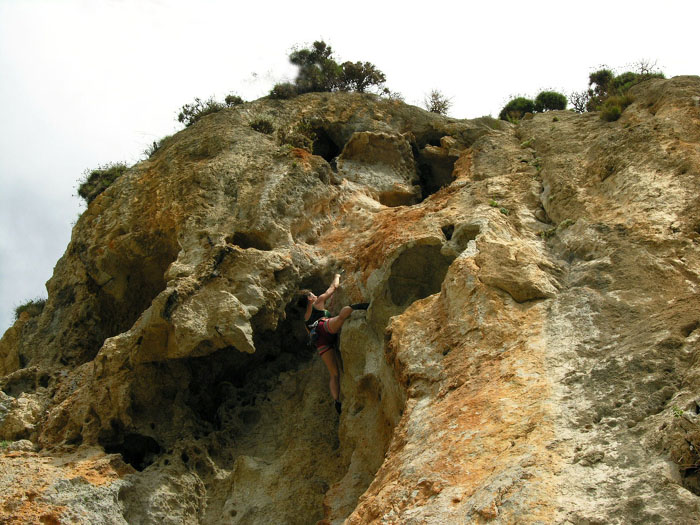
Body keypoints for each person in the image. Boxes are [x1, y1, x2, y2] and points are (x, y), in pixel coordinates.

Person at [298, 273, 369, 413]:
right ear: (309, 298)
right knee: (341, 318)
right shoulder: (317, 303)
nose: (316, 296)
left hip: (320, 342)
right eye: (313, 294)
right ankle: (359, 307)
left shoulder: (305, 320)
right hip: (325, 327)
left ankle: (337, 401)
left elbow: (311, 337)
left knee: (334, 374)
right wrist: (337, 275)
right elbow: (333, 288)